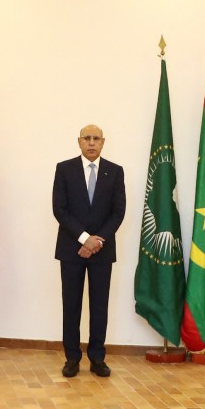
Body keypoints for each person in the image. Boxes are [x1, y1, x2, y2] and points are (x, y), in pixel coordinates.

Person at [53, 124, 126, 378]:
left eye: (96, 139)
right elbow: (59, 209)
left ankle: (97, 358)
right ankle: (72, 358)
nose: (92, 143)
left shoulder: (115, 172)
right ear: (79, 142)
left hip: (102, 252)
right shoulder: (64, 169)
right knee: (71, 305)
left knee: (99, 306)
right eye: (87, 138)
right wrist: (85, 239)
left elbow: (118, 212)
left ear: (103, 142)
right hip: (71, 249)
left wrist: (98, 241)